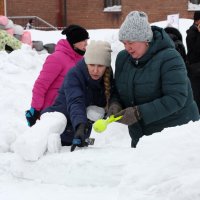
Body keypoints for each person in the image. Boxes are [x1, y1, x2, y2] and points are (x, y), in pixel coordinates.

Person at [107, 11, 199, 148]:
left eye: (131, 42)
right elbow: (118, 89)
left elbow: (176, 98)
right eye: (124, 43)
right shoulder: (122, 58)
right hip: (141, 135)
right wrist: (115, 103)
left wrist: (139, 113)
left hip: (174, 134)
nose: (127, 48)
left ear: (145, 39)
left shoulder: (170, 58)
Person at [14, 40, 113, 161]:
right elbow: (76, 101)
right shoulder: (74, 74)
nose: (95, 70)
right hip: (60, 120)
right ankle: (29, 145)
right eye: (92, 65)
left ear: (106, 66)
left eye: (100, 66)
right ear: (86, 62)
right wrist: (80, 125)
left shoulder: (107, 76)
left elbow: (107, 99)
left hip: (79, 130)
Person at [25, 24, 89, 127]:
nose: (87, 43)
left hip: (70, 110)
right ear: (74, 42)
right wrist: (35, 109)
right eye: (84, 40)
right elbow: (40, 85)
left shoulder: (81, 60)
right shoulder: (56, 58)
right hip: (52, 111)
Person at [186, 11, 200, 113]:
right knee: (197, 95)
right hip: (195, 69)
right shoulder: (192, 32)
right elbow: (195, 50)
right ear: (197, 21)